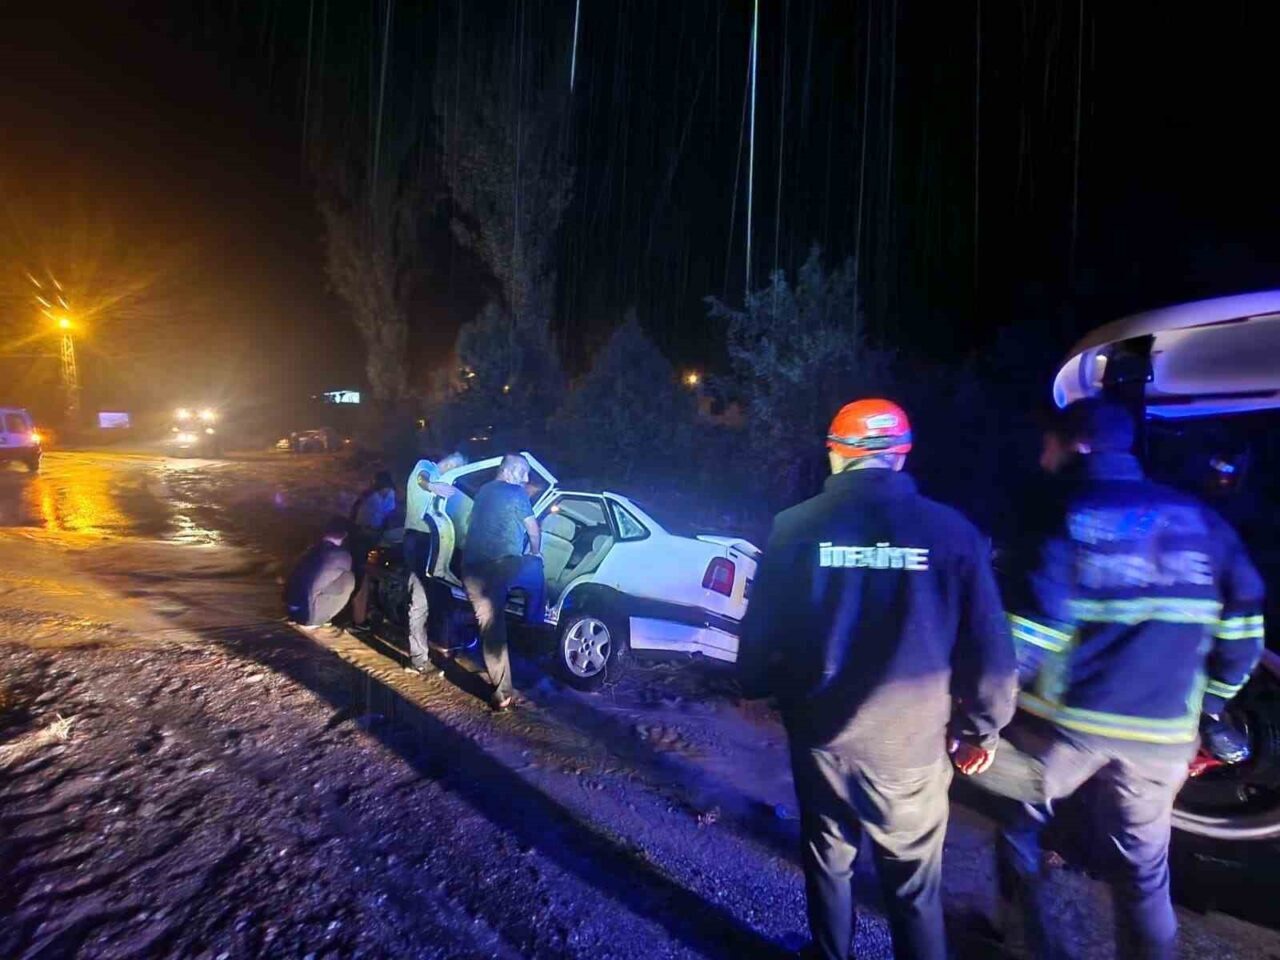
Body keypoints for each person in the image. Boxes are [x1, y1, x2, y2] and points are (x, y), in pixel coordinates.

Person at [737, 399, 1017, 960]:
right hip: (912, 750)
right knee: (914, 889)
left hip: (823, 737)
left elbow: (760, 636)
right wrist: (980, 730)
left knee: (829, 860)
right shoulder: (953, 533)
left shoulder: (794, 528)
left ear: (836, 453)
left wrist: (759, 685)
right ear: (901, 455)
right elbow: (991, 656)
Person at [997, 399, 1266, 960]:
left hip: (1066, 730)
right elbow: (1244, 633)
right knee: (1144, 874)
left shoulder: (1066, 510)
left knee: (1019, 823)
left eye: (1050, 443)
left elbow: (1033, 635)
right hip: (1164, 736)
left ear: (1078, 445)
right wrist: (1210, 708)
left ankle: (1027, 942)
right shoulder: (1203, 523)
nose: (1043, 454)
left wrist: (984, 712)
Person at [462, 454, 545, 711]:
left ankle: (502, 693)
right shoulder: (516, 493)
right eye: (524, 473)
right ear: (509, 472)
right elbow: (533, 529)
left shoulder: (483, 491)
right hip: (500, 566)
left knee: (491, 628)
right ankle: (535, 619)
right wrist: (534, 551)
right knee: (536, 567)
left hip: (471, 571)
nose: (527, 479)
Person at [404, 451, 467, 675]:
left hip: (430, 540)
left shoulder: (440, 479)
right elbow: (421, 479)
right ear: (451, 463)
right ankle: (418, 660)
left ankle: (434, 648)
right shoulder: (426, 467)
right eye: (456, 468)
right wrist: (432, 486)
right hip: (418, 540)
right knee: (420, 600)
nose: (455, 474)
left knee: (437, 596)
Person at [284, 516, 356, 627]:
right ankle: (324, 618)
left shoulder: (312, 549)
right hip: (307, 616)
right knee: (349, 578)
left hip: (291, 608)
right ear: (345, 535)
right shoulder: (341, 555)